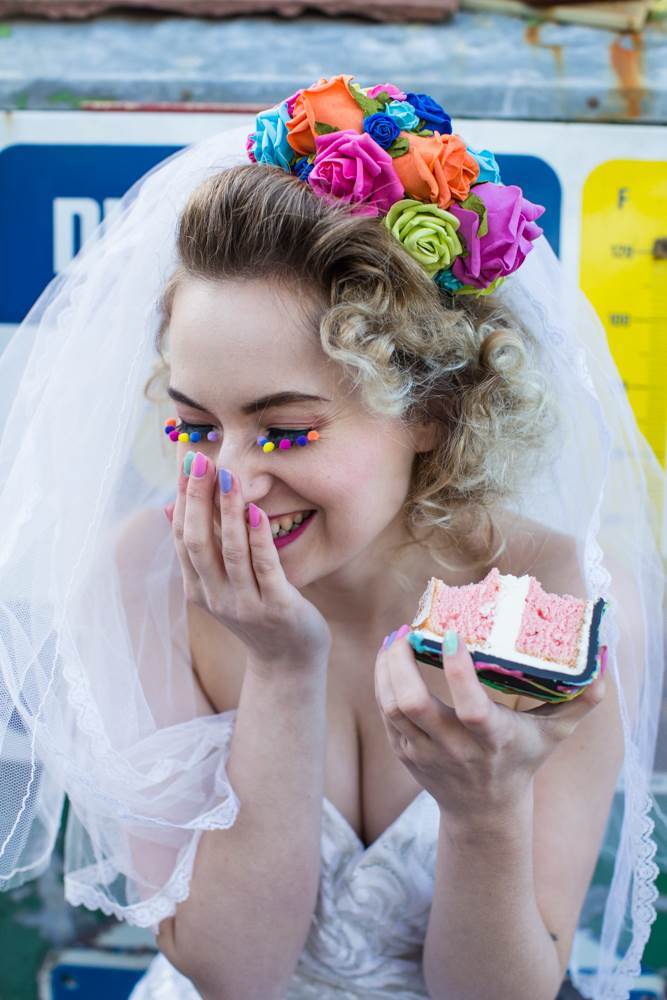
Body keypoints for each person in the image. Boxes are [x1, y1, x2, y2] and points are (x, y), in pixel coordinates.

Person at [0, 77, 664, 1000]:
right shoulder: (139, 577)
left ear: (429, 413)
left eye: (287, 431)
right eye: (195, 426)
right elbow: (235, 973)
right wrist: (278, 666)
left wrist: (482, 814)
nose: (227, 478)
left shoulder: (558, 596)